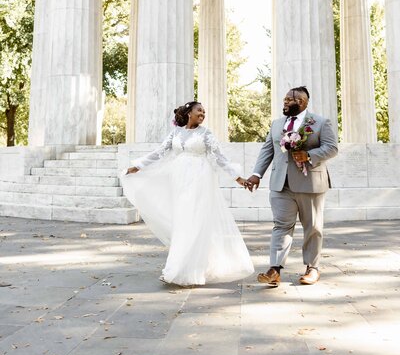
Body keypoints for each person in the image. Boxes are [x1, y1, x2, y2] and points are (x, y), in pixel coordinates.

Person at [123, 101, 254, 287]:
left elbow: (220, 158)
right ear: (189, 113)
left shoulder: (206, 134)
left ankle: (189, 270)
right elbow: (159, 152)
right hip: (179, 182)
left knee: (195, 222)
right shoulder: (176, 133)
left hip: (200, 181)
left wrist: (239, 178)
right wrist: (137, 166)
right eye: (199, 110)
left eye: (204, 111)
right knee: (183, 223)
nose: (203, 113)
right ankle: (178, 267)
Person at [246, 86, 338, 286]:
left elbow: (332, 148)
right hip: (281, 185)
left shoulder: (320, 122)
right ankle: (275, 269)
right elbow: (267, 150)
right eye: (285, 99)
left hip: (311, 183)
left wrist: (309, 155)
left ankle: (312, 268)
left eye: (290, 99)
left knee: (312, 227)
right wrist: (256, 174)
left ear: (303, 102)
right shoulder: (277, 124)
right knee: (281, 226)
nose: (285, 102)